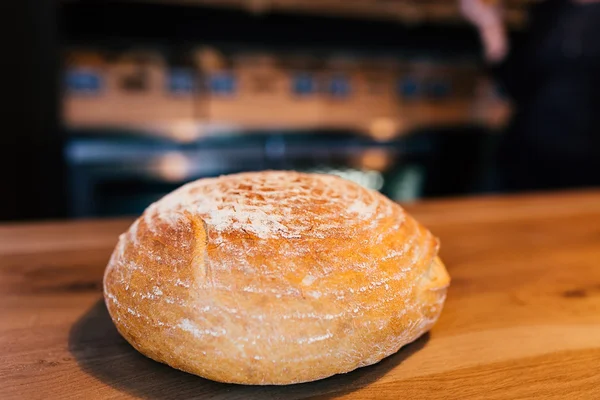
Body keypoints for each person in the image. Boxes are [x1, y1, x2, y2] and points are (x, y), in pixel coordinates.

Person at [461, 0, 600, 192]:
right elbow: (517, 87)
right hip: (528, 153)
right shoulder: (549, 10)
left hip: (586, 166)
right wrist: (490, 26)